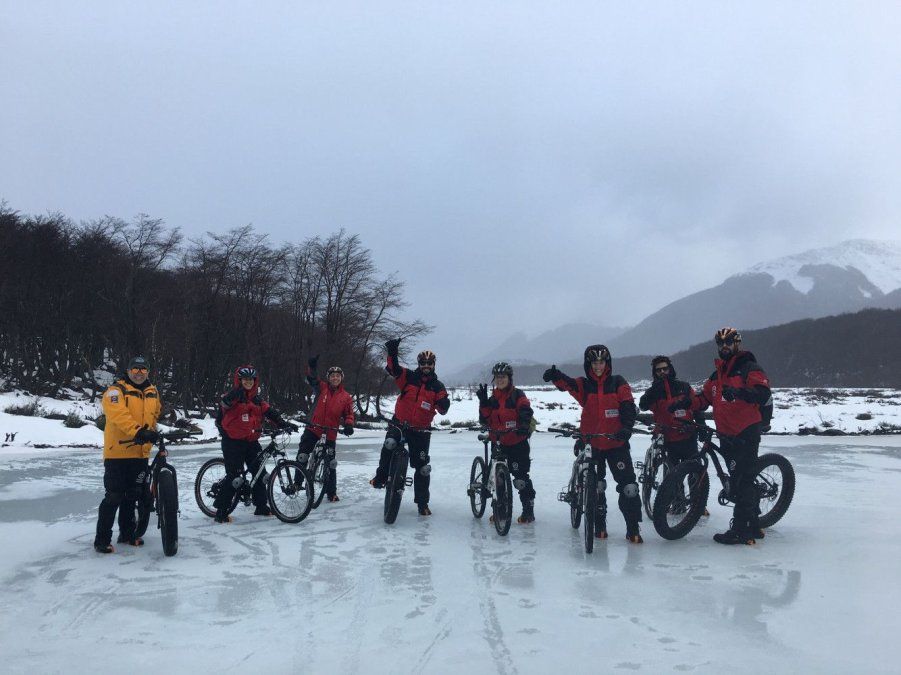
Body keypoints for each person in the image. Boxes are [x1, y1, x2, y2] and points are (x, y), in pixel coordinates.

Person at [543, 344, 643, 543]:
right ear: (588, 365)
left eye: (601, 362)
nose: (598, 366)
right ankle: (600, 526)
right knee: (596, 486)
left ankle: (633, 528)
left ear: (607, 363)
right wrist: (556, 375)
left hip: (616, 443)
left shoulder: (618, 382)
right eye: (594, 363)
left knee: (629, 488)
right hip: (592, 443)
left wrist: (626, 428)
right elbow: (568, 384)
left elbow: (628, 406)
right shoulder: (584, 385)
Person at [688, 327, 772, 545]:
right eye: (720, 343)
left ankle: (741, 531)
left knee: (742, 480)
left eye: (728, 342)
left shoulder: (749, 367)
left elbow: (763, 393)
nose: (724, 347)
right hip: (726, 434)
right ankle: (754, 525)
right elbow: (703, 399)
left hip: (746, 430)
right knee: (739, 478)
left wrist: (739, 392)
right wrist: (686, 403)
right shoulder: (717, 375)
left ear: (737, 344)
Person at [370, 338, 450, 516]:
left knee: (422, 468)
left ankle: (422, 504)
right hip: (399, 422)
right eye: (423, 363)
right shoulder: (410, 377)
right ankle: (381, 477)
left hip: (421, 430)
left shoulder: (438, 386)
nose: (426, 366)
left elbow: (443, 409)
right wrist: (392, 353)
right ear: (419, 364)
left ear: (434, 365)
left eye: (429, 363)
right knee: (389, 444)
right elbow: (393, 370)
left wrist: (444, 403)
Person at [93, 356, 162, 553]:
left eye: (143, 369)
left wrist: (152, 432)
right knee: (114, 496)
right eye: (135, 369)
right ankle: (102, 540)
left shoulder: (152, 392)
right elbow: (118, 416)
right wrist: (138, 431)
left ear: (148, 371)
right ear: (129, 370)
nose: (139, 372)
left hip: (140, 453)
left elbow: (154, 414)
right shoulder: (115, 391)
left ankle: (127, 534)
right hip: (118, 453)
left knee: (132, 495)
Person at [214, 365, 298, 523]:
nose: (248, 382)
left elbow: (270, 412)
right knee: (235, 477)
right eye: (245, 379)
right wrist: (233, 395)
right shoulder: (232, 396)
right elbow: (224, 404)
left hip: (251, 441)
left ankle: (261, 506)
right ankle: (221, 511)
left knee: (260, 473)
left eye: (251, 380)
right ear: (239, 381)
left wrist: (284, 423)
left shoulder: (257, 400)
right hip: (232, 442)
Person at [477, 362, 536, 523]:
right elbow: (485, 419)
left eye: (503, 377)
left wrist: (524, 426)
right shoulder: (492, 399)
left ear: (509, 378)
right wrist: (483, 402)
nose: (500, 380)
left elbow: (525, 410)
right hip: (499, 442)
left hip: (517, 442)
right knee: (499, 479)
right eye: (497, 377)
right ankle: (500, 511)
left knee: (521, 479)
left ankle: (528, 511)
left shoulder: (518, 395)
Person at [297, 355, 354, 502]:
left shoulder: (346, 397)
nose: (335, 378)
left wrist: (348, 425)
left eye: (337, 376)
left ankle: (331, 492)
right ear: (328, 378)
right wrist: (312, 367)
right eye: (332, 376)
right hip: (313, 428)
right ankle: (297, 484)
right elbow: (312, 379)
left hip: (330, 432)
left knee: (330, 462)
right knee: (303, 455)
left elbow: (349, 414)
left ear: (341, 378)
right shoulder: (321, 388)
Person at [638, 356, 699, 463]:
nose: (662, 372)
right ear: (655, 373)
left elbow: (697, 406)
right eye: (658, 370)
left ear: (670, 369)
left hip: (688, 436)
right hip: (667, 440)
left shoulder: (684, 387)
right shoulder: (653, 392)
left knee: (696, 474)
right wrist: (651, 393)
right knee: (672, 477)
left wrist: (700, 426)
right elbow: (642, 406)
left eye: (665, 369)